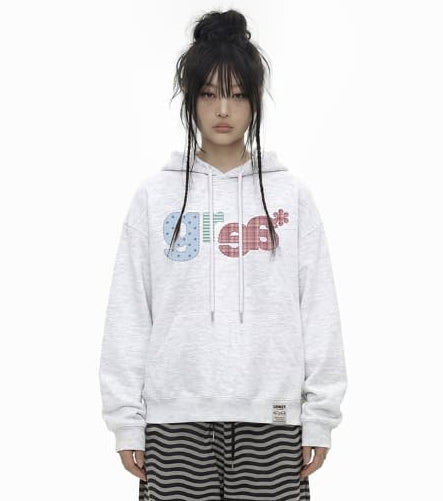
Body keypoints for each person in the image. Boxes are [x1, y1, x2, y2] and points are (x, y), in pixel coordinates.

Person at [98, 8, 347, 501]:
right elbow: (130, 311)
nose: (223, 110)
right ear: (190, 99)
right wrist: (126, 420)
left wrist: (319, 415)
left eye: (237, 94)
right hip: (173, 421)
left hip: (274, 419)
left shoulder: (291, 196)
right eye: (209, 94)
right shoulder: (155, 197)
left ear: (256, 99)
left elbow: (318, 308)